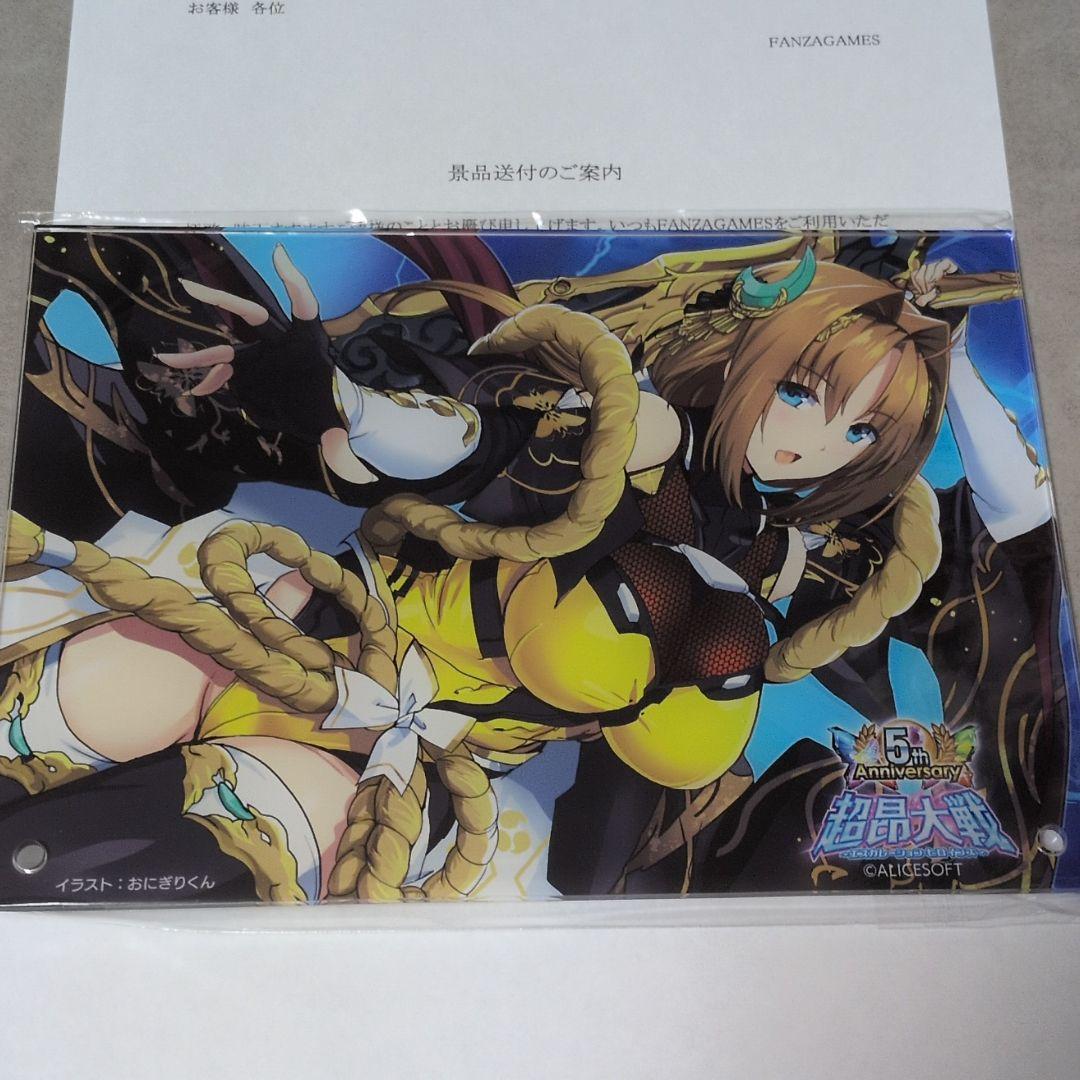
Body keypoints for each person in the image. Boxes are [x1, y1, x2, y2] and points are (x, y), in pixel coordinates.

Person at [0, 237, 1056, 901]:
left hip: (386, 763)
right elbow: (466, 445)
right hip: (276, 635)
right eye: (801, 393)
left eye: (860, 432)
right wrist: (335, 401)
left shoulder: (787, 575)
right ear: (756, 364)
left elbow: (1017, 514)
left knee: (112, 865)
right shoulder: (627, 434)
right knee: (51, 717)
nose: (813, 441)